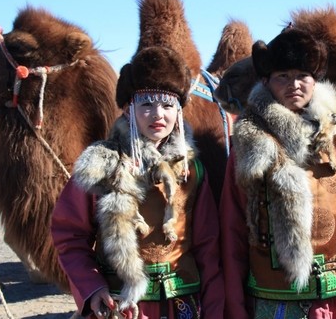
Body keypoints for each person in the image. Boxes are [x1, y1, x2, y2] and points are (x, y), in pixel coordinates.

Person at [220, 28, 336, 319]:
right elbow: (232, 229)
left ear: (315, 80)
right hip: (274, 301)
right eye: (282, 75)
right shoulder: (247, 143)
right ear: (266, 81)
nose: (293, 84)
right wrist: (234, 309)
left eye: (302, 75)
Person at [51, 46, 224, 319]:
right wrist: (91, 287)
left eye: (168, 105)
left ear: (179, 111)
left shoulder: (192, 173)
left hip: (183, 305)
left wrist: (214, 311)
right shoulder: (100, 165)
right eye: (146, 104)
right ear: (127, 109)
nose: (158, 114)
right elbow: (68, 235)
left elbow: (208, 248)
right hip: (121, 305)